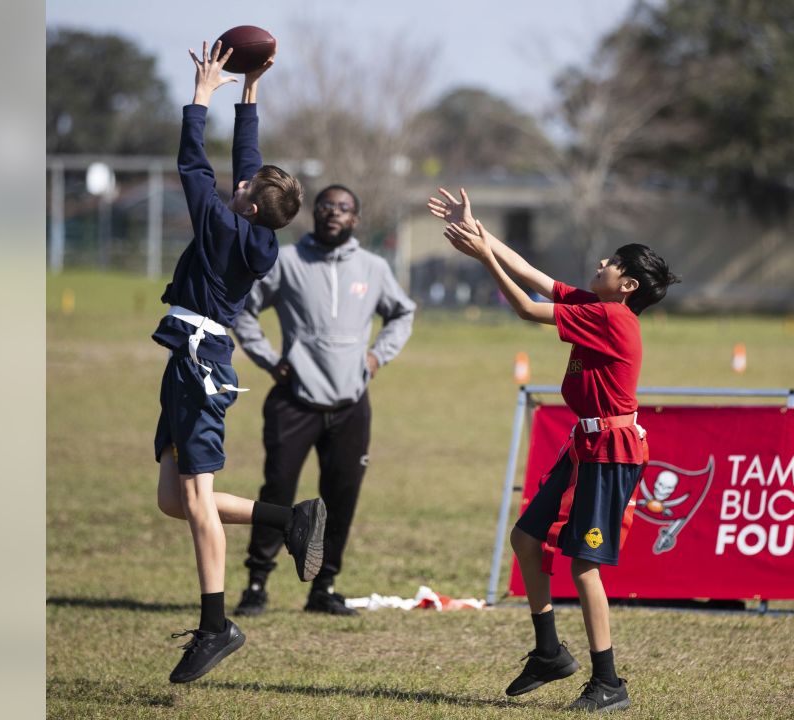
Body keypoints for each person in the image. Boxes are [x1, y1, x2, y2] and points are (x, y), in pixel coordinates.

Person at [428, 187, 680, 713]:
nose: (602, 263)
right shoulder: (598, 305)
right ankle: (548, 652)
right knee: (525, 539)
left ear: (628, 285)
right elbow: (534, 275)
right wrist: (481, 232)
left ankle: (608, 681)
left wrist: (482, 259)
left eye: (612, 262)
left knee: (583, 566)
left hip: (612, 451)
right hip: (587, 443)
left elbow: (524, 306)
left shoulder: (614, 318)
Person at [151, 40, 324, 684]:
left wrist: (201, 97)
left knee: (196, 500)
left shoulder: (224, 228)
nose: (239, 181)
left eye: (244, 187)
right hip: (188, 360)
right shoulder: (256, 226)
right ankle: (290, 518)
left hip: (199, 365)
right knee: (174, 499)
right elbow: (247, 163)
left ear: (248, 205)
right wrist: (249, 90)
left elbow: (194, 169)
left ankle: (215, 623)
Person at [232, 184, 416, 616]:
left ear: (355, 218)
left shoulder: (373, 267)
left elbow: (402, 312)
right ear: (312, 213)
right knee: (277, 492)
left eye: (344, 208)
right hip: (294, 399)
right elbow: (243, 309)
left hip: (350, 403)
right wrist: (268, 359)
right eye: (327, 206)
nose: (335, 212)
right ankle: (256, 584)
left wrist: (376, 356)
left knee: (343, 494)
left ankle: (323, 587)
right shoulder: (288, 261)